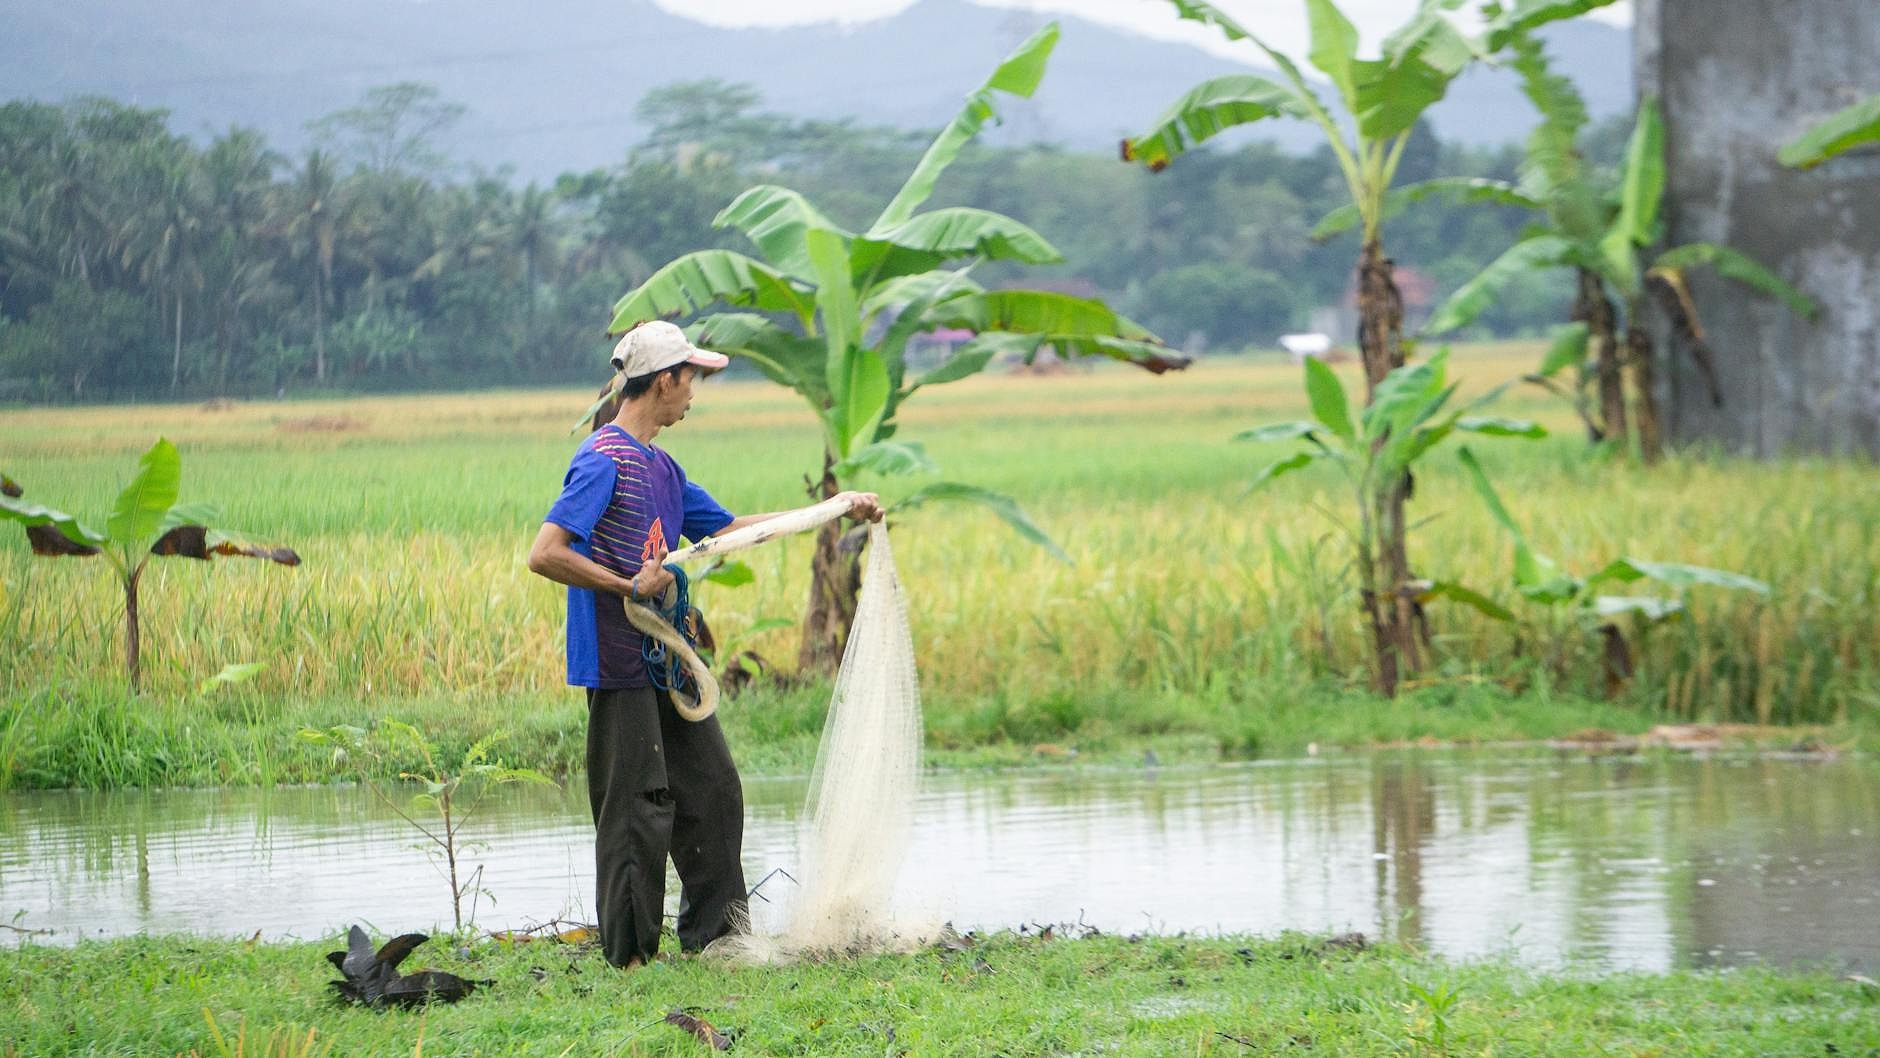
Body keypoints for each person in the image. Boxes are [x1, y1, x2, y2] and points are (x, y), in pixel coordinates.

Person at [527, 320, 881, 968]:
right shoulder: (602, 460)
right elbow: (547, 552)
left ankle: (719, 940)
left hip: (673, 662)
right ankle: (631, 958)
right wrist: (628, 584)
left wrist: (834, 509)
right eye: (691, 381)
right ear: (664, 381)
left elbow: (730, 528)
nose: (693, 394)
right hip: (619, 662)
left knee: (714, 789)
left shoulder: (662, 467)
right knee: (637, 809)